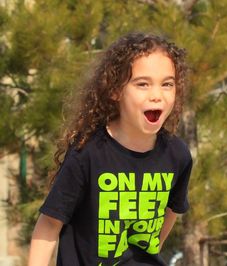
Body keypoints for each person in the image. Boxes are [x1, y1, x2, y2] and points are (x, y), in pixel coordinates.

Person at [28, 32, 192, 266]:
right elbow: (49, 225)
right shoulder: (88, 152)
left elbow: (171, 212)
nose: (157, 95)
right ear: (115, 90)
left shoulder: (178, 155)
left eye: (167, 84)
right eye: (142, 84)